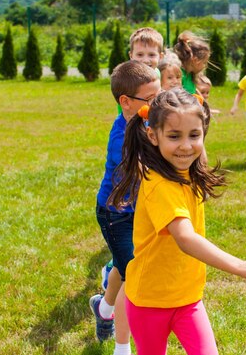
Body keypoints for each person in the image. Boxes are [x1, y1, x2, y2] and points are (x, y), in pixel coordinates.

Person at [108, 88, 246, 355]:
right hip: (149, 301)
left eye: (194, 135)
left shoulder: (184, 168)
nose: (185, 145)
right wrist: (241, 266)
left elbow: (191, 148)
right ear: (153, 136)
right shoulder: (160, 185)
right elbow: (185, 237)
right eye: (174, 136)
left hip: (188, 298)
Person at [91, 61, 161, 355]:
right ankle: (122, 346)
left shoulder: (145, 121)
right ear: (126, 102)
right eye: (151, 100)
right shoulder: (123, 136)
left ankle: (104, 307)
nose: (158, 105)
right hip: (115, 215)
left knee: (124, 264)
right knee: (134, 276)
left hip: (137, 212)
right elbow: (142, 171)